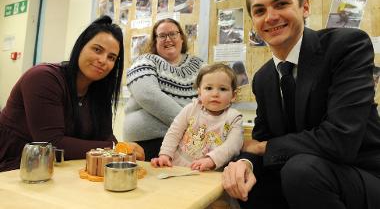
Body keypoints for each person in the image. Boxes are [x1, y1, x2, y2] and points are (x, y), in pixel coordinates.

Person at [222, 0, 380, 209]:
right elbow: (261, 138)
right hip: (306, 175)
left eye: (281, 4)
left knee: (300, 170)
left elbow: (340, 140)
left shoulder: (346, 46)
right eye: (260, 11)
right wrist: (245, 163)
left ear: (304, 8)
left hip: (361, 175)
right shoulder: (263, 78)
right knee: (248, 181)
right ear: (253, 21)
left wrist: (265, 148)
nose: (271, 17)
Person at [0, 16, 144, 172]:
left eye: (111, 57)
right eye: (97, 50)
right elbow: (52, 145)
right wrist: (115, 148)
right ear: (80, 47)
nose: (103, 60)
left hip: (59, 170)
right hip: (12, 166)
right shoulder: (43, 78)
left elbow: (105, 138)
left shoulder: (99, 92)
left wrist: (126, 149)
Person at [123, 18, 204, 160]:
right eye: (162, 35)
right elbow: (149, 96)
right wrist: (191, 127)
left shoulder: (200, 66)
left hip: (188, 144)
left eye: (173, 34)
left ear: (182, 38)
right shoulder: (144, 61)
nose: (168, 39)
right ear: (155, 41)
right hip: (145, 145)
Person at [151, 63, 243, 171]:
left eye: (222, 89)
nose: (215, 94)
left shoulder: (234, 117)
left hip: (209, 173)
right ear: (199, 91)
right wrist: (165, 155)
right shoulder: (191, 109)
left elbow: (233, 145)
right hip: (177, 166)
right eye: (208, 88)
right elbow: (174, 132)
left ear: (233, 95)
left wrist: (211, 160)